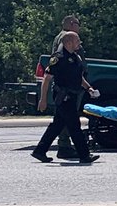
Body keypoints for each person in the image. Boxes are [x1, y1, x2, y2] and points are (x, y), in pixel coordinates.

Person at [32, 31, 100, 164]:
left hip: (72, 95)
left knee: (57, 125)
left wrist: (89, 88)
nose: (79, 43)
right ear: (68, 42)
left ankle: (40, 151)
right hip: (63, 97)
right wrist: (43, 99)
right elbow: (47, 79)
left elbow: (78, 77)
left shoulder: (75, 57)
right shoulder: (58, 58)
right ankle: (84, 155)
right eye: (77, 41)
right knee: (74, 125)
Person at [52, 15, 83, 159]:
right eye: (78, 24)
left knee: (60, 120)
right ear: (72, 24)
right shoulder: (66, 38)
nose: (79, 27)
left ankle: (41, 149)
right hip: (67, 88)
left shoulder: (61, 36)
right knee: (68, 119)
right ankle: (65, 146)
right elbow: (64, 60)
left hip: (67, 86)